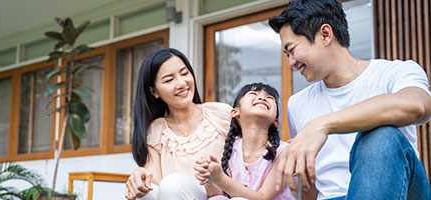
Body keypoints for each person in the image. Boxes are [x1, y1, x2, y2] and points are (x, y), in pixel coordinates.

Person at [268, 0, 431, 199]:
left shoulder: (396, 72)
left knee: (380, 136)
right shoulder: (297, 104)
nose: (291, 62)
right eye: (287, 55)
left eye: (292, 50)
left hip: (400, 190)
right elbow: (308, 180)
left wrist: (323, 124)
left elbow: (417, 105)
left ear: (325, 35)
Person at [125, 48, 232, 200]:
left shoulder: (220, 114)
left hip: (222, 196)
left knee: (173, 183)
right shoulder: (156, 131)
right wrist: (139, 176)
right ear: (154, 91)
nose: (181, 83)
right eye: (169, 80)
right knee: (151, 191)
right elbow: (153, 182)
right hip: (177, 195)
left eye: (184, 73)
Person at [194, 82, 295, 200]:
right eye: (253, 93)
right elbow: (220, 196)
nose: (262, 97)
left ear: (275, 122)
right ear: (235, 112)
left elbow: (263, 197)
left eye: (269, 98)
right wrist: (210, 179)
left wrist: (221, 179)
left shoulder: (283, 152)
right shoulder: (231, 148)